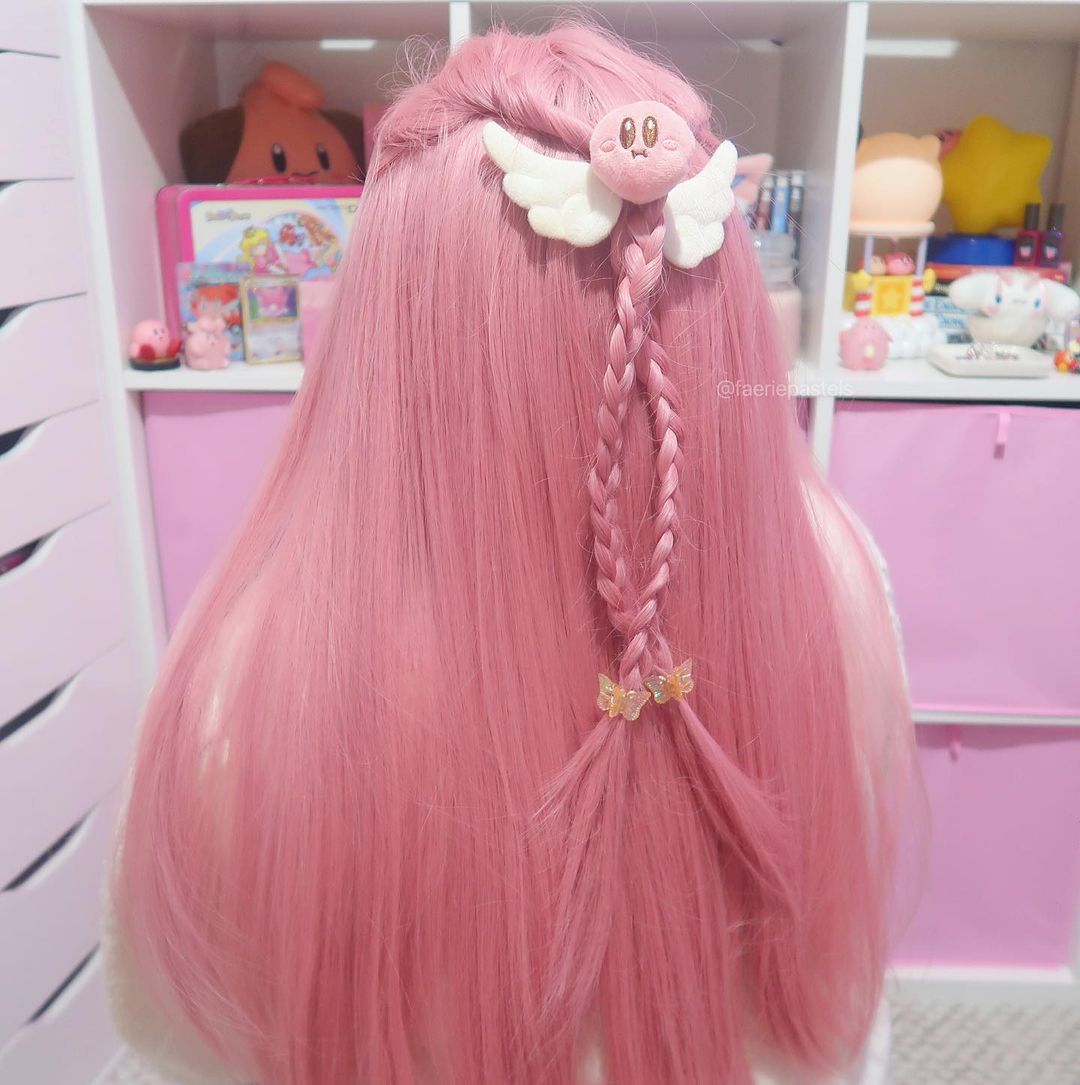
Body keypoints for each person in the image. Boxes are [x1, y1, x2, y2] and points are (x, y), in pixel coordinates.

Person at [107, 25, 915, 1085]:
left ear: (387, 317)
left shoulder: (247, 683)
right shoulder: (839, 578)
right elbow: (849, 1018)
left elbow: (183, 1040)